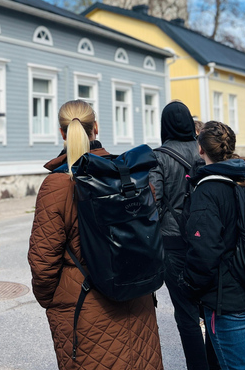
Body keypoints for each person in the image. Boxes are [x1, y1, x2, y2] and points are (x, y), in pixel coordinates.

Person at [28, 100, 164, 370]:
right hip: (138, 299)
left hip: (84, 307)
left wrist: (54, 301)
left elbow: (43, 261)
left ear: (62, 132)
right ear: (96, 128)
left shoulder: (57, 184)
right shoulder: (128, 176)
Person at [180, 121, 245, 370]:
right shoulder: (244, 179)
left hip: (226, 299)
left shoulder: (208, 190)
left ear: (201, 150)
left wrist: (189, 285)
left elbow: (204, 251)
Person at [150, 102, 218, 370]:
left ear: (164, 125)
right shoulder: (205, 152)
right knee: (211, 308)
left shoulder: (159, 157)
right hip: (208, 241)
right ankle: (215, 363)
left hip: (173, 244)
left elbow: (153, 205)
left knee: (186, 314)